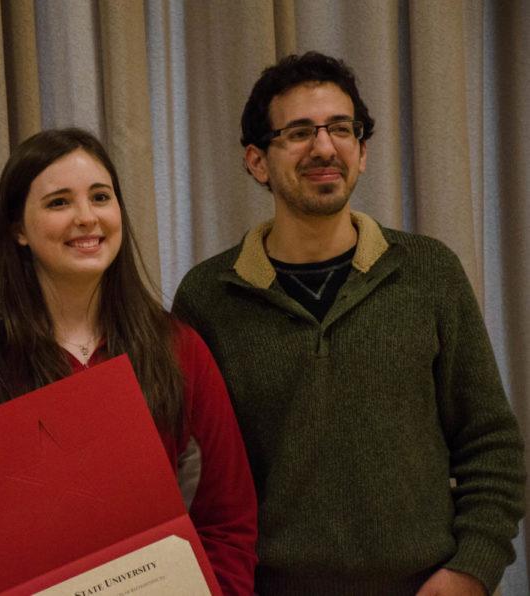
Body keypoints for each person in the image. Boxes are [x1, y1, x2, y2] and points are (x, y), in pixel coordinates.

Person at [172, 51, 525, 595]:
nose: (323, 146)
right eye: (297, 132)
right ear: (256, 161)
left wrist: (470, 572)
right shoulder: (207, 296)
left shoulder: (428, 271)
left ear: (361, 153)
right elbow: (188, 475)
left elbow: (490, 442)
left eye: (341, 128)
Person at [0, 128, 257, 594]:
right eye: (59, 203)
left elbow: (228, 521)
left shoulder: (178, 349)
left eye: (101, 197)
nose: (87, 218)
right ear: (17, 229)